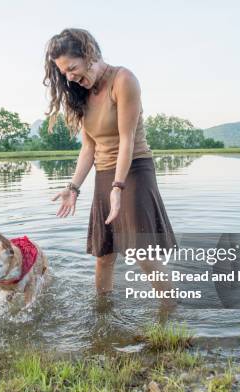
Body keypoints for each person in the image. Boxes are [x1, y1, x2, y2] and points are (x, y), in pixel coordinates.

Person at [44, 28, 178, 300]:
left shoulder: (123, 80)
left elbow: (127, 140)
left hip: (135, 170)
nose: (69, 77)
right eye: (64, 72)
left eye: (72, 67)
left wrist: (118, 187)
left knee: (143, 253)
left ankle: (171, 310)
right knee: (103, 254)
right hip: (105, 173)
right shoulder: (80, 94)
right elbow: (89, 147)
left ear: (89, 53)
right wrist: (73, 187)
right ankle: (102, 315)